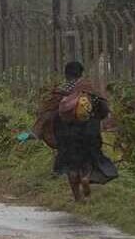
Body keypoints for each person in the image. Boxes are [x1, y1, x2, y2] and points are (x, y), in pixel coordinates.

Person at [42, 60, 115, 202]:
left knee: (70, 164)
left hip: (67, 134)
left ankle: (77, 198)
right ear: (81, 73)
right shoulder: (89, 89)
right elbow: (104, 110)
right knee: (89, 158)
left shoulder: (60, 91)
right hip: (89, 131)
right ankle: (86, 177)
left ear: (66, 74)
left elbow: (48, 115)